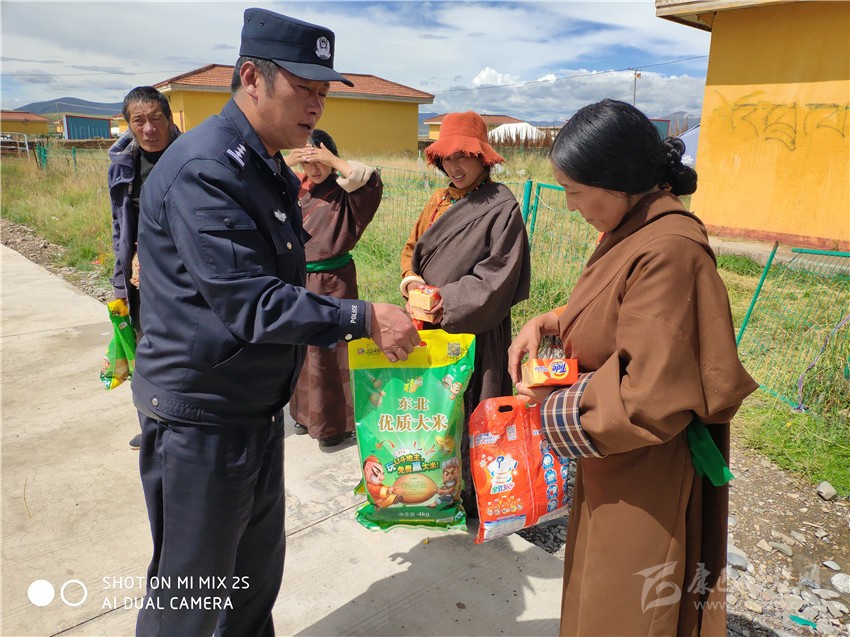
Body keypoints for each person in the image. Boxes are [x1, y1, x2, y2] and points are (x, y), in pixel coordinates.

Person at [132, 9, 419, 635]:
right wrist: (362, 316)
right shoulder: (208, 168)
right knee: (191, 597)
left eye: (323, 92)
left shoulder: (263, 162)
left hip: (252, 411)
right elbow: (251, 301)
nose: (316, 104)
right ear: (251, 78)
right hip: (202, 418)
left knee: (253, 581)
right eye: (303, 87)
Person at [507, 98, 758, 635]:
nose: (570, 205)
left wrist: (552, 405)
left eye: (575, 191)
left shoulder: (670, 250)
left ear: (617, 181)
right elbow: (617, 311)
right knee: (599, 581)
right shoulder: (635, 229)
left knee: (628, 604)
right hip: (613, 450)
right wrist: (551, 320)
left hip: (647, 462)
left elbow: (648, 399)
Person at [400, 111, 531, 514]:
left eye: (463, 156)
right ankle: (434, 486)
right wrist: (411, 282)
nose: (454, 167)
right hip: (430, 325)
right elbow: (412, 249)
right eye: (447, 158)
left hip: (478, 327)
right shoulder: (438, 201)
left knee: (475, 408)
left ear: (483, 157)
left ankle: (475, 495)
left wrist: (446, 300)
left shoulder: (502, 206)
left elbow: (497, 275)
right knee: (436, 410)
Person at [284, 129, 383, 447]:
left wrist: (331, 159)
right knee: (303, 349)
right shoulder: (295, 188)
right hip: (299, 280)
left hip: (334, 282)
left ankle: (336, 425)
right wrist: (289, 161)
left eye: (319, 159)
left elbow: (369, 181)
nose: (313, 168)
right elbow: (257, 185)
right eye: (307, 161)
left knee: (333, 350)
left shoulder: (345, 192)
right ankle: (305, 416)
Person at [107, 86, 180, 450]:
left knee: (179, 353)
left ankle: (180, 428)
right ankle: (151, 425)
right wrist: (120, 281)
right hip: (138, 280)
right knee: (143, 351)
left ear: (168, 118)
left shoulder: (190, 157)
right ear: (129, 125)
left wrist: (150, 256)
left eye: (156, 118)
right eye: (139, 121)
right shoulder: (123, 165)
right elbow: (119, 226)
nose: (149, 128)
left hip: (179, 278)